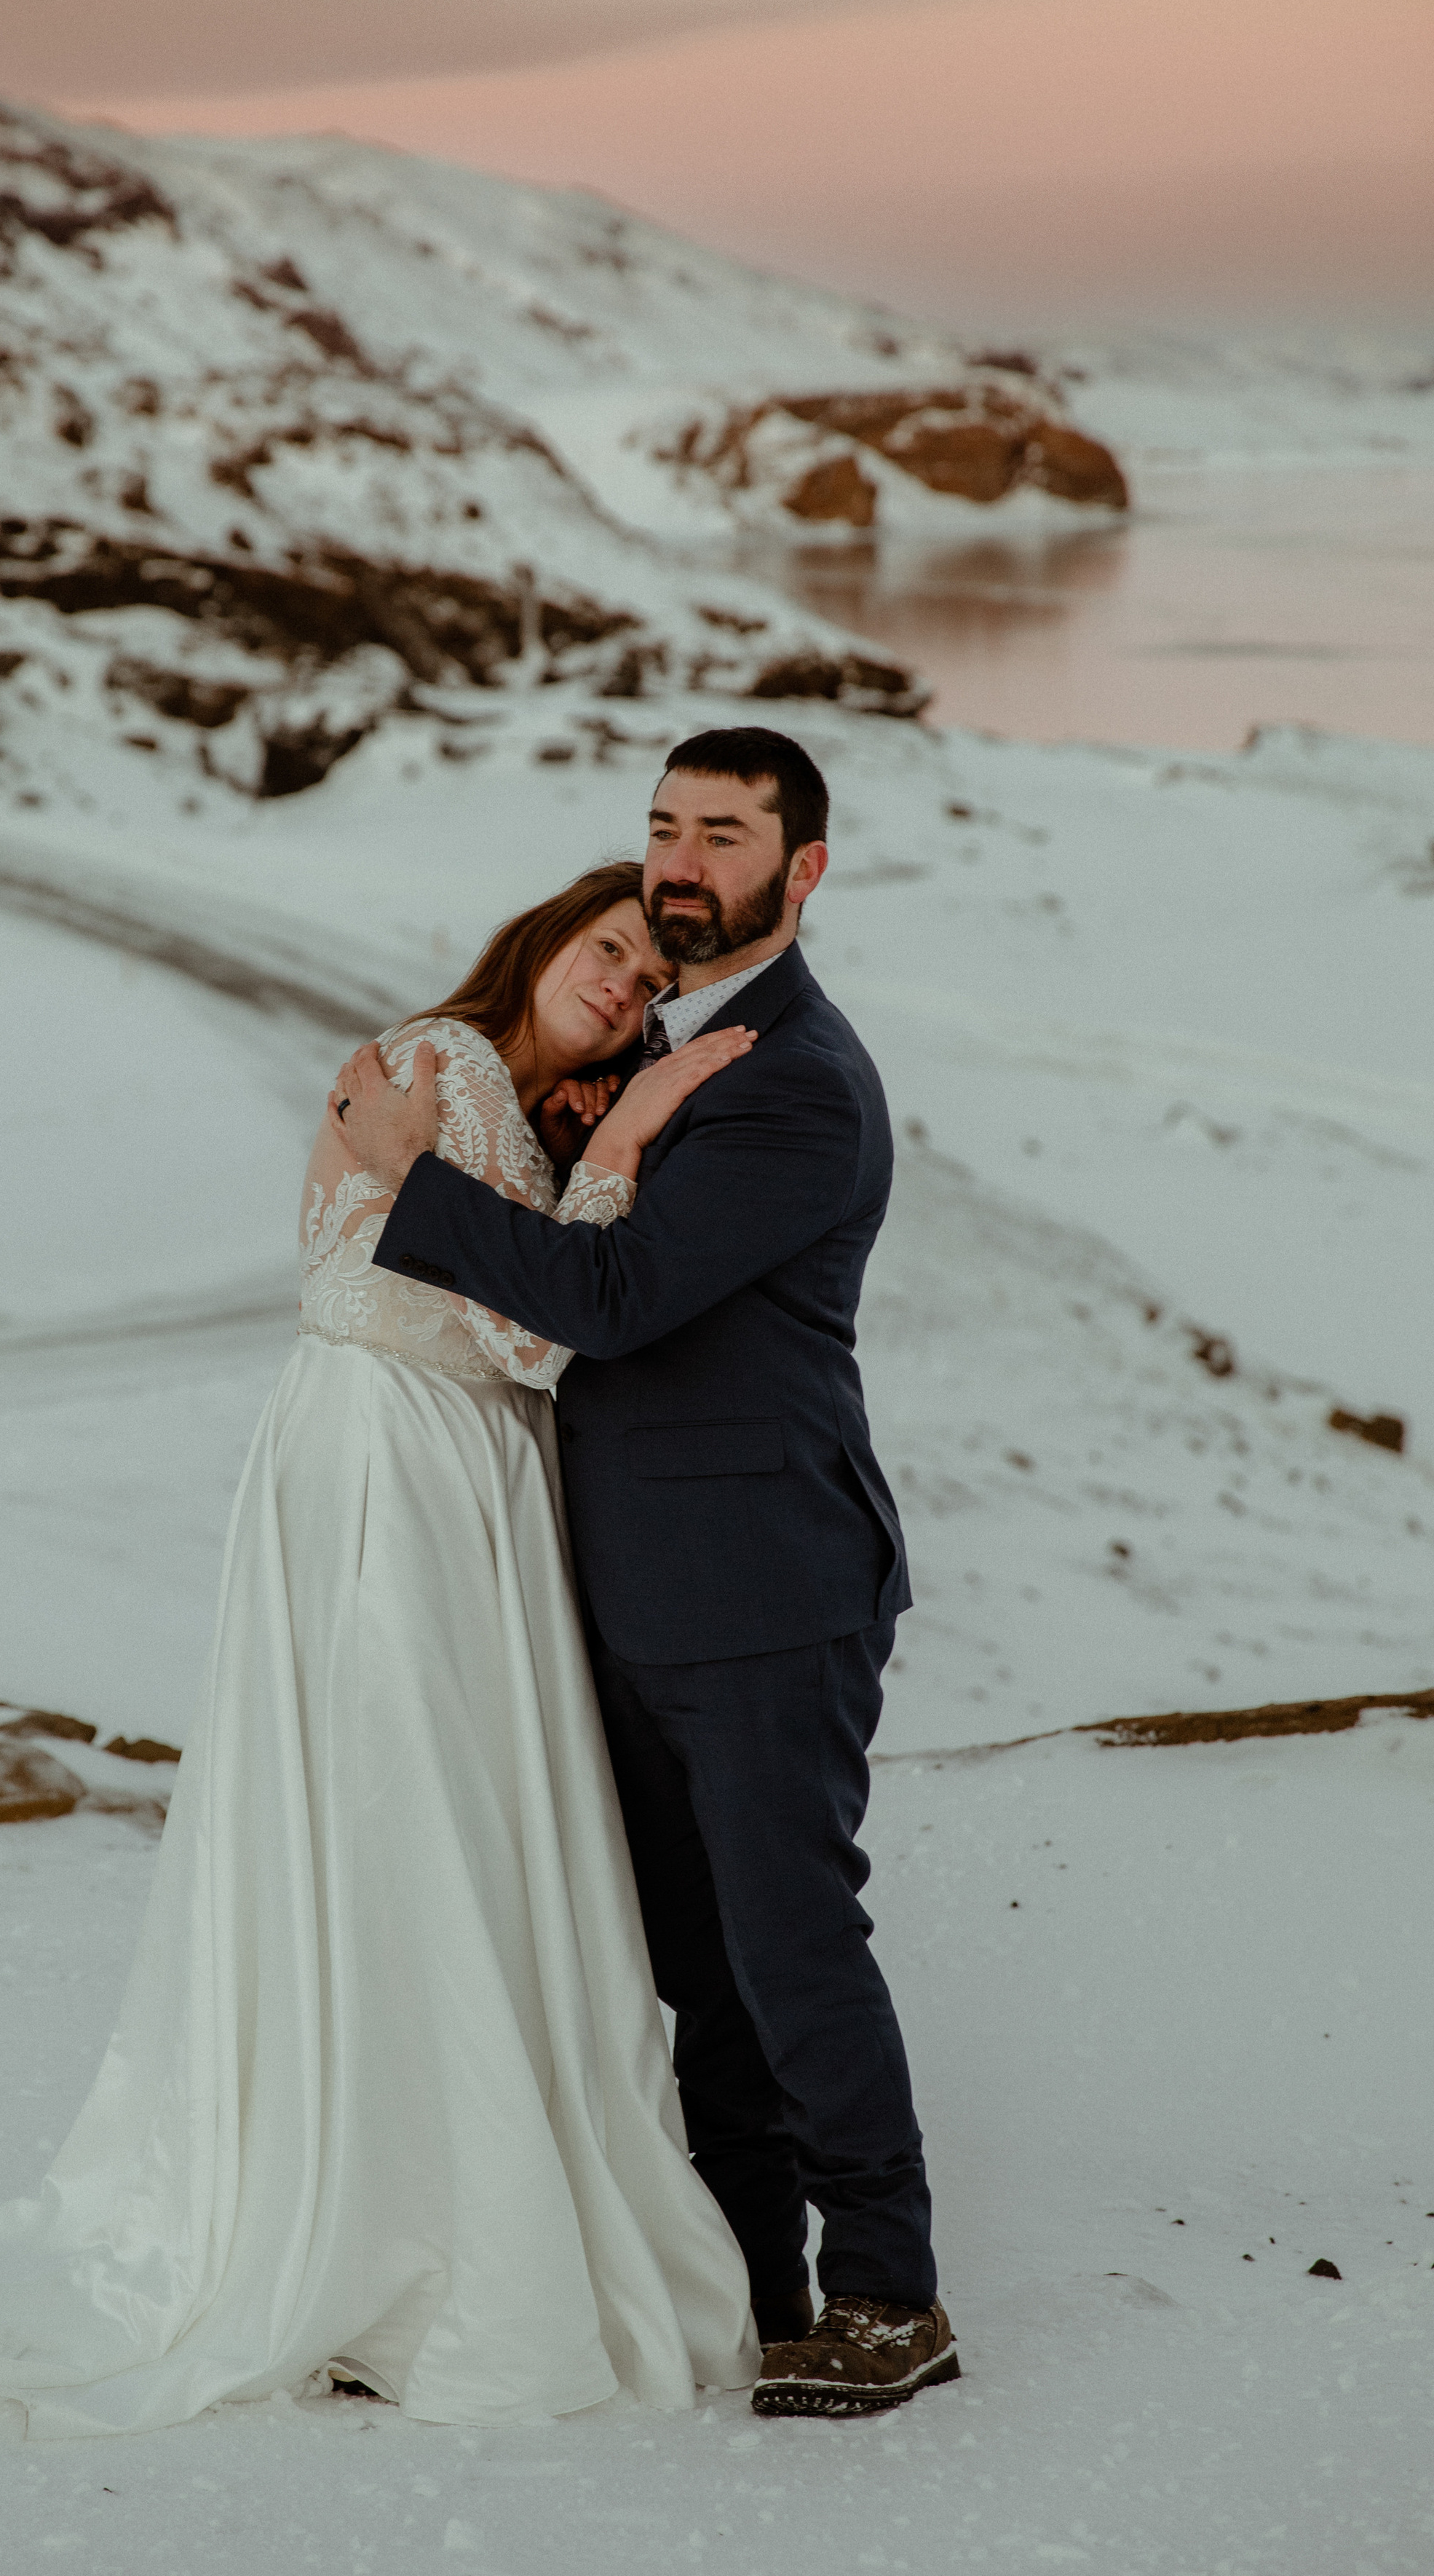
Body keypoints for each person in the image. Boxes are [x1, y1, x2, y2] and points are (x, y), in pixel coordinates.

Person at [0, 862, 763, 2436]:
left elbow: (494, 1300)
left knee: (410, 1818)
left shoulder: (476, 1094)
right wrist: (616, 1149)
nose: (619, 985)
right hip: (397, 1464)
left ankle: (395, 2172)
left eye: (642, 985)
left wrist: (574, 1160)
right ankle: (404, 2217)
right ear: (537, 939)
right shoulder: (447, 1066)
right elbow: (536, 1335)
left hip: (428, 1459)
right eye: (603, 949)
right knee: (412, 1814)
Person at [331, 726, 959, 2421]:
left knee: (790, 1945)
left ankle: (890, 2295)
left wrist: (412, 1183)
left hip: (765, 1583)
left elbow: (605, 1303)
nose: (680, 864)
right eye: (663, 829)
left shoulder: (795, 1083)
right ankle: (757, 2292)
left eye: (724, 836)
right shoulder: (673, 1050)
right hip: (630, 1590)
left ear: (799, 869)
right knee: (698, 1971)